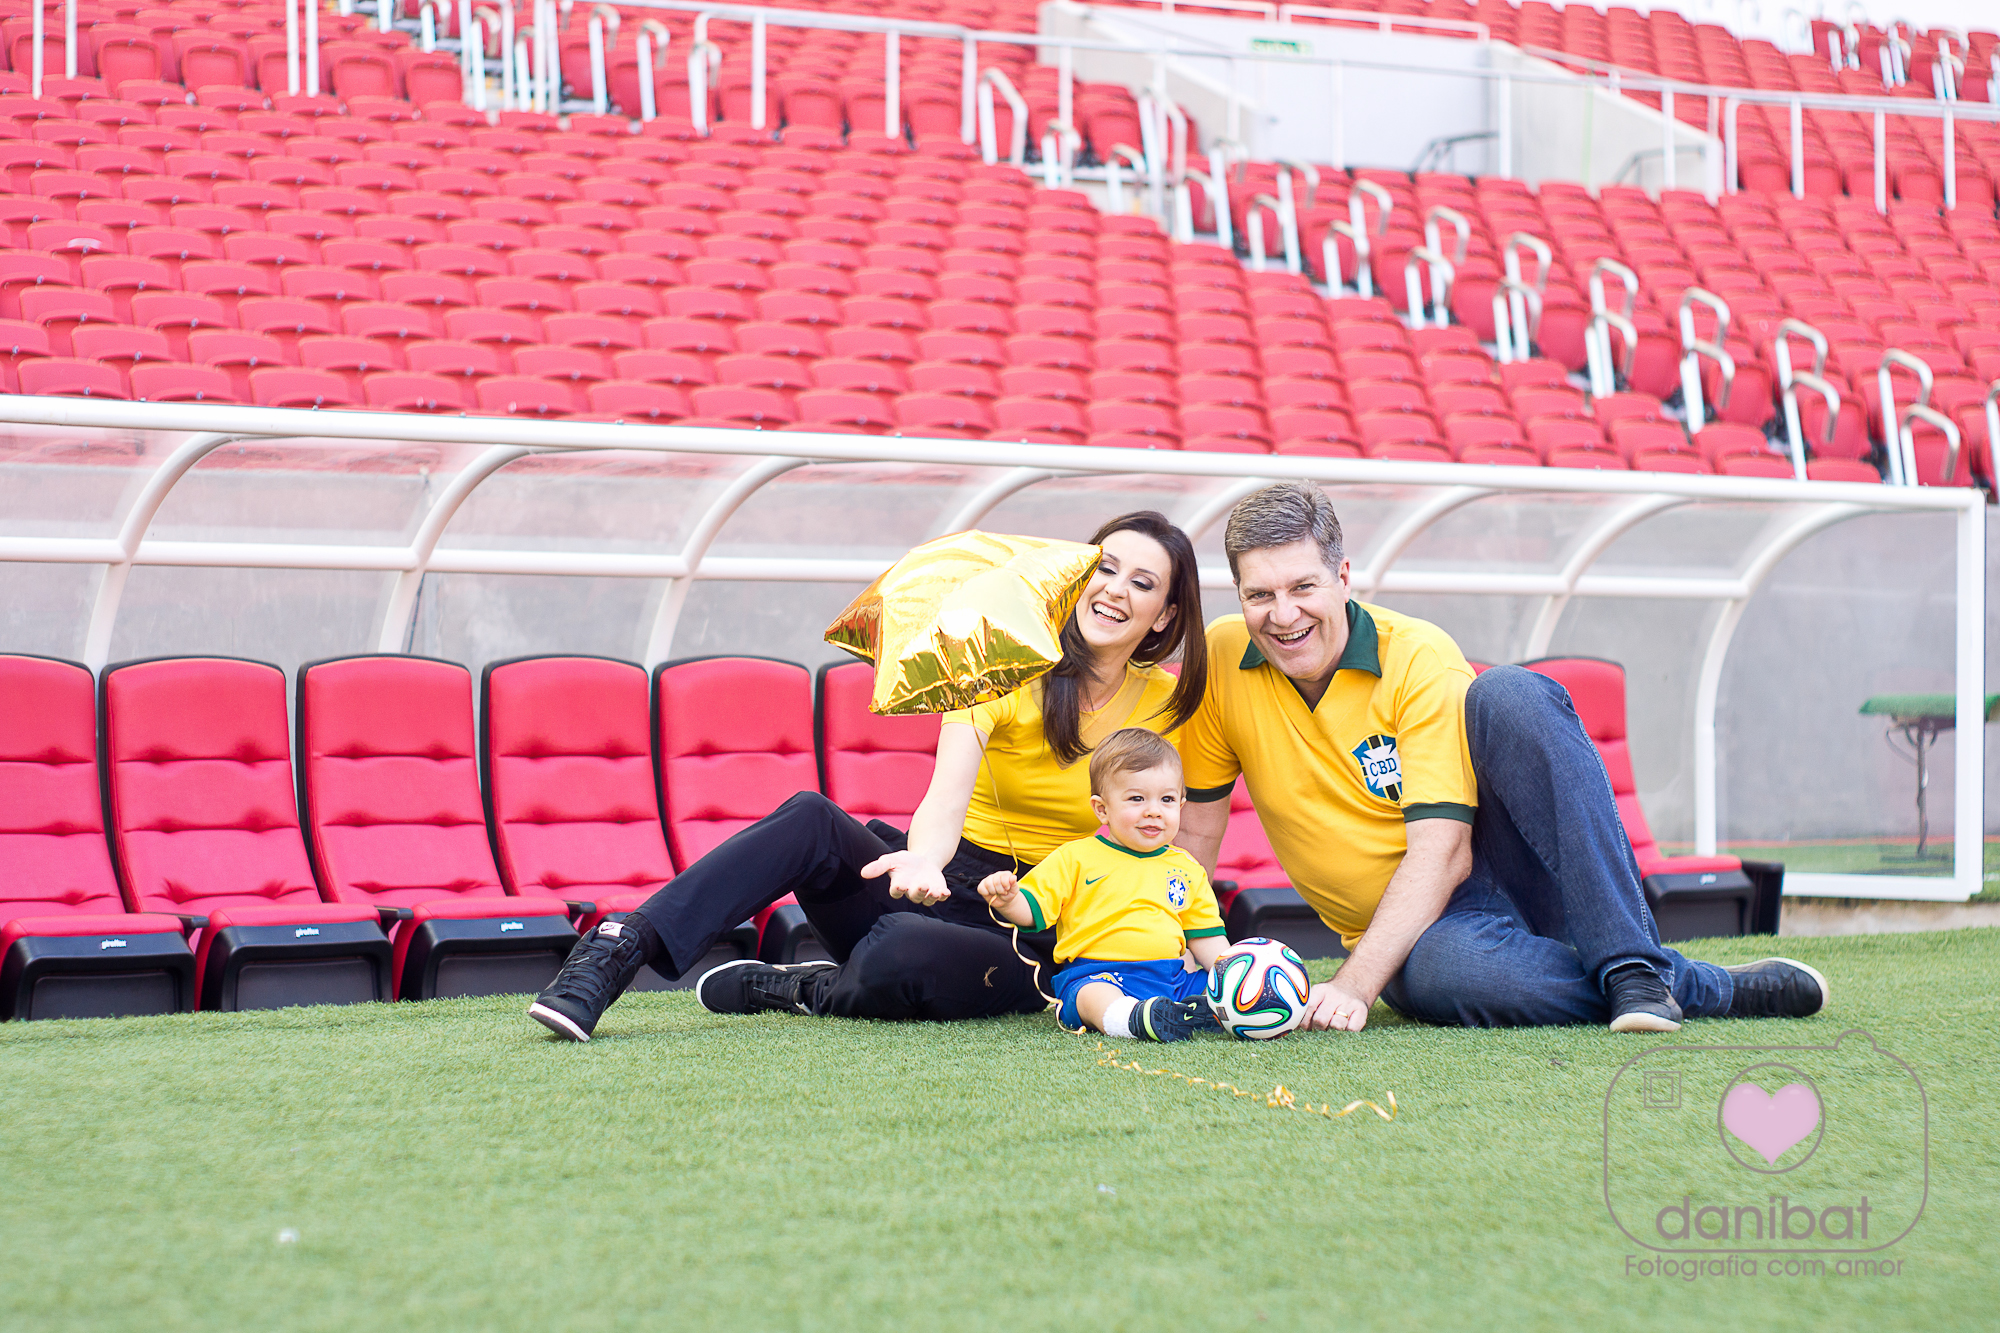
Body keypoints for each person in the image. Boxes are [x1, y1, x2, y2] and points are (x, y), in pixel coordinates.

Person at [1170, 481, 1830, 1034]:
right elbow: (1198, 831)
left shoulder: (1417, 656)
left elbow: (1445, 852)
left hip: (1502, 867)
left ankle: (1633, 966)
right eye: (1259, 595)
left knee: (1509, 692)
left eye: (1302, 587)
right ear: (1238, 594)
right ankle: (1690, 983)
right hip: (1420, 939)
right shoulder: (1221, 657)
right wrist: (1170, 954)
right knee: (1445, 976)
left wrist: (1353, 985)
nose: (1283, 614)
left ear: (1343, 578)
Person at [528, 510, 1210, 1041]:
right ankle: (616, 951)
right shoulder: (1002, 664)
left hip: (1040, 921)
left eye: (1142, 582)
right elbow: (946, 796)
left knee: (903, 950)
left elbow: (1175, 834)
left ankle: (805, 988)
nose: (1114, 590)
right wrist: (924, 859)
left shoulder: (1171, 703)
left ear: (1167, 614)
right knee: (811, 819)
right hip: (941, 874)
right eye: (1105, 568)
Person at [978, 728, 1228, 1043]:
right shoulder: (1076, 857)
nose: (1153, 810)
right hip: (1097, 973)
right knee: (1090, 996)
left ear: (1180, 805)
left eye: (1166, 799)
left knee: (1210, 986)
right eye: (1136, 798)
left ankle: (1189, 1011)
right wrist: (1008, 900)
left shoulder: (1187, 868)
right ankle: (1127, 1018)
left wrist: (1234, 976)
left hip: (1170, 978)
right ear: (1102, 809)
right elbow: (1032, 910)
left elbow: (1206, 937)